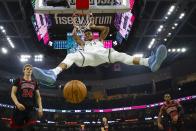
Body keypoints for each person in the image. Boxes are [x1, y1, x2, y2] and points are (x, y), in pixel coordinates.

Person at [32, 22, 167, 85]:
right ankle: (53, 73)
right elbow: (74, 35)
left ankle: (149, 62)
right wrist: (76, 25)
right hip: (88, 58)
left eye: (90, 33)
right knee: (72, 55)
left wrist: (93, 25)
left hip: (105, 55)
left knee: (123, 56)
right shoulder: (83, 43)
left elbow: (107, 28)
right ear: (84, 37)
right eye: (87, 34)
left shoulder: (100, 40)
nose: (89, 34)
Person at [10, 64, 43, 131]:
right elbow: (12, 93)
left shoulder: (35, 82)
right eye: (27, 69)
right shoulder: (18, 80)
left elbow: (38, 96)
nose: (29, 70)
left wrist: (40, 107)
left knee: (32, 127)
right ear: (23, 70)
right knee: (18, 129)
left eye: (30, 69)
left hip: (31, 109)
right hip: (20, 108)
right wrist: (17, 103)